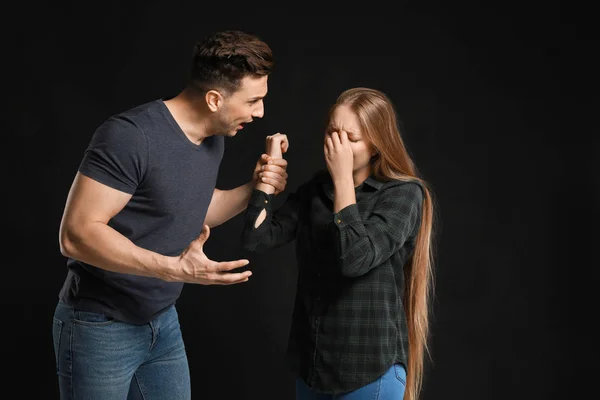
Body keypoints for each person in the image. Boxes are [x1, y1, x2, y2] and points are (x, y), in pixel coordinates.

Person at [53, 30, 290, 399]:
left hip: (162, 321)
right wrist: (173, 269)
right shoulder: (130, 136)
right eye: (253, 100)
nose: (260, 112)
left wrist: (256, 187)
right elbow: (76, 234)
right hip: (100, 326)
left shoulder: (214, 137)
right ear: (214, 99)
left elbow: (191, 209)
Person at [241, 87, 436, 400]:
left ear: (376, 146)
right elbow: (256, 238)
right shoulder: (315, 191)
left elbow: (355, 258)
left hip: (370, 369)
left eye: (351, 138)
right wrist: (267, 177)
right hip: (313, 368)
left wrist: (343, 179)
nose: (338, 145)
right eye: (332, 133)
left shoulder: (403, 194)